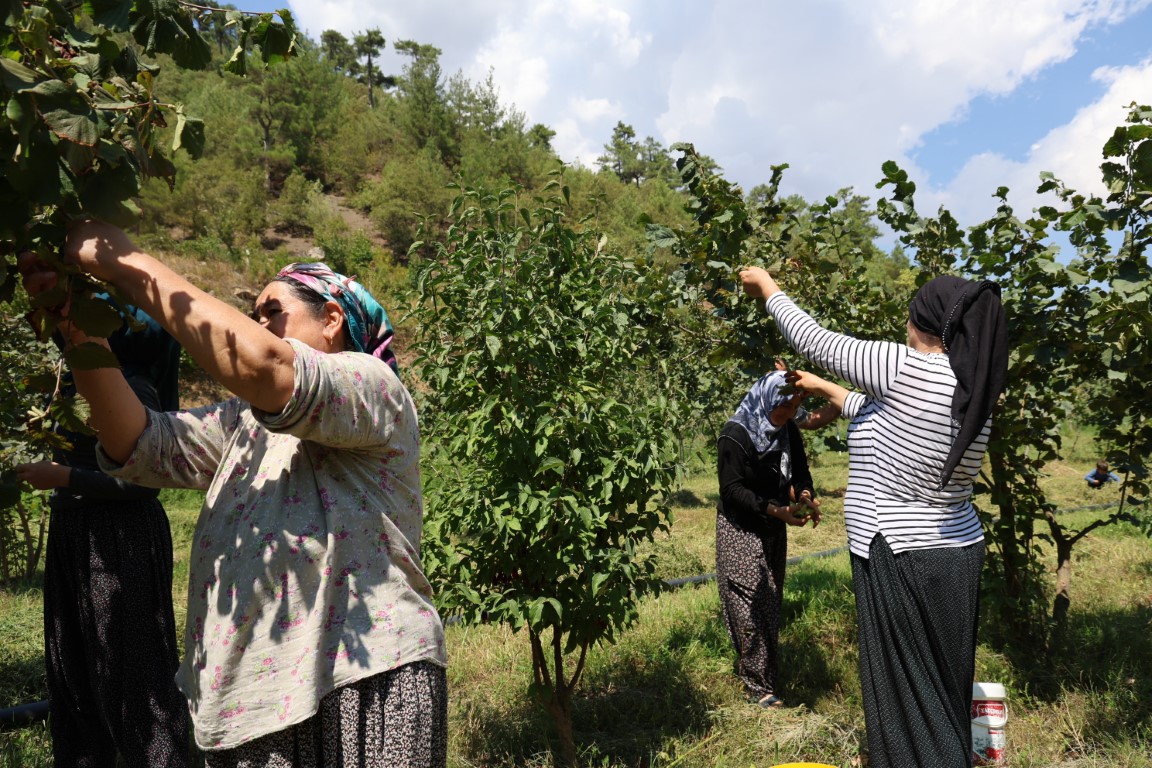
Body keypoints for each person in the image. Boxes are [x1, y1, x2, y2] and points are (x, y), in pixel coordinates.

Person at [19, 221, 448, 768]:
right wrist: (81, 333)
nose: (257, 326)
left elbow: (266, 366)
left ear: (333, 320)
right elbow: (137, 443)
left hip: (362, 678)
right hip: (251, 703)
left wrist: (124, 262)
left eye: (271, 311)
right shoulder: (243, 425)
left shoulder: (372, 386)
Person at [740, 266, 1007, 768]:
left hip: (900, 555)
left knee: (909, 704)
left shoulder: (905, 364)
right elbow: (891, 413)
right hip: (955, 552)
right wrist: (829, 393)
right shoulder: (974, 386)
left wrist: (768, 289)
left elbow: (814, 339)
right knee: (940, 694)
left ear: (922, 321)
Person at [15, 306, 189, 768]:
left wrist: (64, 477)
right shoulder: (74, 385)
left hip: (119, 540)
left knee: (132, 672)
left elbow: (146, 483)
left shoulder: (130, 385)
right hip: (76, 534)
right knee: (72, 665)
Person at [716, 370, 822, 709]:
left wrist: (804, 494)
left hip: (774, 526)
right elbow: (732, 491)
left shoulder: (787, 428)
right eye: (783, 411)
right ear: (767, 402)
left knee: (770, 600)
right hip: (741, 528)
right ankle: (758, 687)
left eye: (793, 411)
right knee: (747, 603)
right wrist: (775, 511)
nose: (788, 417)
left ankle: (765, 678)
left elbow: (800, 470)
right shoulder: (736, 435)